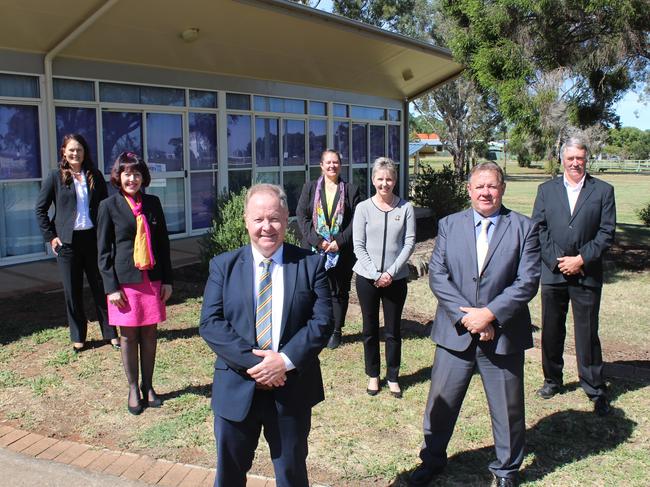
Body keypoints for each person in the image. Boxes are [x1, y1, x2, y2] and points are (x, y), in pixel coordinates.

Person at [410, 162, 540, 487]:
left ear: (502, 189)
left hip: (503, 336)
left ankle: (507, 470)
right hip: (456, 334)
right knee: (441, 404)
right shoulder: (449, 225)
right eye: (479, 186)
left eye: (492, 186)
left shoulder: (524, 227)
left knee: (508, 410)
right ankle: (432, 460)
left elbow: (527, 282)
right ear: (469, 190)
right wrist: (470, 318)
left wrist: (490, 314)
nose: (485, 192)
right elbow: (438, 276)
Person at [199, 183, 333, 487]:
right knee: (229, 476)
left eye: (274, 218)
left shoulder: (311, 265)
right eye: (258, 219)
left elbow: (322, 322)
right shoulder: (224, 266)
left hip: (292, 391)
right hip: (236, 389)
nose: (266, 227)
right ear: (246, 220)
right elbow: (211, 322)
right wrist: (261, 366)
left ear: (287, 219)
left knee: (291, 475)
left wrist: (283, 362)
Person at [532, 137, 616, 416]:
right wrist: (558, 262)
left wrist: (581, 259)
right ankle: (552, 379)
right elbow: (539, 229)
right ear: (562, 160)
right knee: (552, 329)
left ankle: (593, 385)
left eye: (580, 158)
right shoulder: (546, 190)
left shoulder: (603, 191)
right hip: (553, 273)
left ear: (586, 159)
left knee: (587, 331)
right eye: (571, 158)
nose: (576, 163)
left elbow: (606, 233)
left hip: (586, 272)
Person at [97, 152, 173, 416]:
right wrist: (111, 288)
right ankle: (133, 388)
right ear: (119, 177)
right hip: (124, 283)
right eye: (127, 173)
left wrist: (168, 281)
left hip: (151, 279)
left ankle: (149, 386)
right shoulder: (109, 206)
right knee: (128, 336)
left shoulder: (153, 203)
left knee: (150, 335)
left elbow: (163, 245)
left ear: (143, 177)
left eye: (137, 173)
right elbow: (103, 252)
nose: (132, 178)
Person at [35, 133, 119, 352]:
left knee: (101, 287)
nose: (75, 153)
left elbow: (104, 208)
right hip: (68, 243)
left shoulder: (94, 175)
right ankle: (78, 336)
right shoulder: (55, 176)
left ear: (84, 152)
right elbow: (40, 209)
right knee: (72, 292)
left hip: (93, 240)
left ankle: (110, 332)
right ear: (64, 151)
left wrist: (108, 235)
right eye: (71, 149)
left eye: (79, 149)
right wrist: (51, 236)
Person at [353, 157, 415, 398]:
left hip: (396, 279)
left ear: (395, 180)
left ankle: (392, 376)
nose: (384, 183)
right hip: (367, 279)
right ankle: (373, 375)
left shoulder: (406, 208)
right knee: (369, 329)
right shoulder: (363, 208)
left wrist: (390, 273)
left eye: (389, 179)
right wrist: (375, 273)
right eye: (380, 179)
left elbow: (409, 243)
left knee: (393, 330)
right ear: (373, 180)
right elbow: (358, 245)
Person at [296, 149, 361, 349]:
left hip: (342, 250)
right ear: (321, 166)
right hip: (315, 249)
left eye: (336, 162)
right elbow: (302, 216)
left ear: (340, 165)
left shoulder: (351, 189)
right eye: (328, 162)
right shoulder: (310, 188)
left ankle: (336, 331)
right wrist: (317, 241)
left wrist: (339, 241)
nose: (332, 166)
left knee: (338, 291)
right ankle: (315, 326)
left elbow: (358, 220)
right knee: (313, 289)